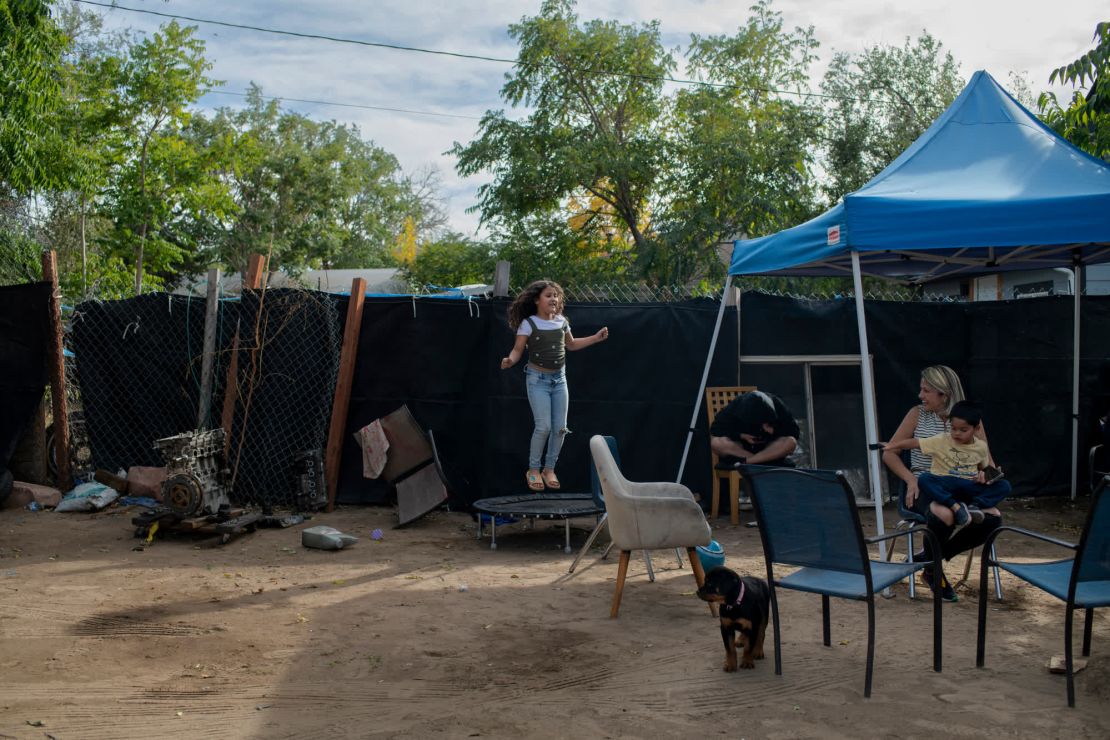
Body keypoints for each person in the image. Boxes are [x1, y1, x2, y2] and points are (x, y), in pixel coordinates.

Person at [881, 365, 1003, 602]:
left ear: (944, 395)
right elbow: (889, 452)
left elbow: (989, 466)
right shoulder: (917, 413)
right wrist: (910, 479)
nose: (920, 395)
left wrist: (986, 476)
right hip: (923, 484)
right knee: (943, 513)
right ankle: (932, 570)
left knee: (993, 517)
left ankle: (929, 559)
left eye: (926, 390)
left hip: (961, 487)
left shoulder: (969, 420)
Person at [500, 280, 608, 492]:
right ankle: (533, 469)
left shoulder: (561, 322)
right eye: (548, 295)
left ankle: (549, 469)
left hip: (560, 380)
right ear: (537, 300)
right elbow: (517, 349)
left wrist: (595, 338)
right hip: (537, 380)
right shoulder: (528, 324)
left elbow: (572, 344)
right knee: (544, 427)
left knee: (560, 428)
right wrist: (510, 360)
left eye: (556, 296)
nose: (553, 299)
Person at [882, 400, 1012, 529]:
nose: (956, 433)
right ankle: (955, 507)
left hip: (968, 485)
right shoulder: (942, 439)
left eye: (963, 430)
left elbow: (987, 468)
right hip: (947, 483)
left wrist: (987, 477)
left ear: (976, 429)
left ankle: (975, 506)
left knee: (1004, 486)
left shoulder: (981, 447)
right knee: (925, 479)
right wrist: (892, 445)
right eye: (953, 428)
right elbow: (915, 443)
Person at [709, 390, 800, 467]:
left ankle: (749, 462)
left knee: (790, 442)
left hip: (769, 449)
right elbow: (716, 429)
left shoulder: (778, 405)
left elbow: (794, 432)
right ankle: (762, 462)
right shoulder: (736, 407)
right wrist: (741, 436)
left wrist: (773, 430)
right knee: (716, 443)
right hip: (743, 450)